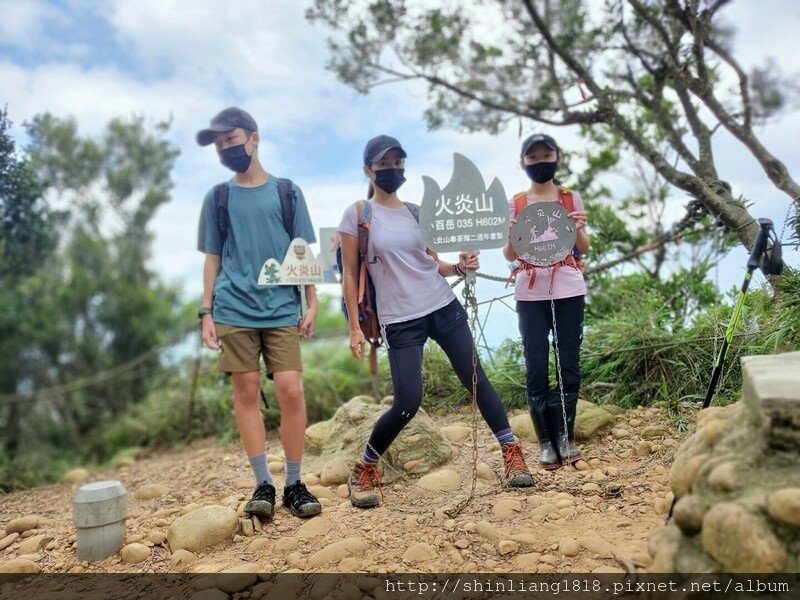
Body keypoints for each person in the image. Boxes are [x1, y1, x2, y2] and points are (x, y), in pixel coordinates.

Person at [338, 135, 535, 509]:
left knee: (476, 379)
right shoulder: (359, 214)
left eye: (398, 162)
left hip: (442, 306)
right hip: (399, 320)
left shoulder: (415, 211)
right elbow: (349, 274)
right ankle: (365, 467)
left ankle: (512, 452)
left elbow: (432, 263)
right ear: (369, 169)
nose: (392, 169)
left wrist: (460, 267)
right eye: (383, 163)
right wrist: (353, 327)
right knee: (408, 401)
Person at [196, 107, 321, 519]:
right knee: (246, 391)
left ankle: (295, 482)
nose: (226, 150)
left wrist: (312, 300)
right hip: (233, 307)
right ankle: (262, 485)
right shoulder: (218, 198)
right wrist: (206, 312)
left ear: (254, 137)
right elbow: (212, 259)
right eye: (220, 146)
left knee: (290, 388)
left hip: (282, 305)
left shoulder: (287, 192)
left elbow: (301, 249)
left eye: (231, 140)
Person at [502, 133, 590, 470]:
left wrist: (578, 227)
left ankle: (565, 437)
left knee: (568, 362)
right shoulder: (518, 202)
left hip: (569, 287)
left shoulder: (570, 197)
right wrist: (513, 233)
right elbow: (510, 253)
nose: (540, 161)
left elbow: (582, 247)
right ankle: (544, 442)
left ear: (557, 157)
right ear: (523, 162)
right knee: (536, 363)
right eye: (533, 156)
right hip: (530, 290)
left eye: (546, 154)